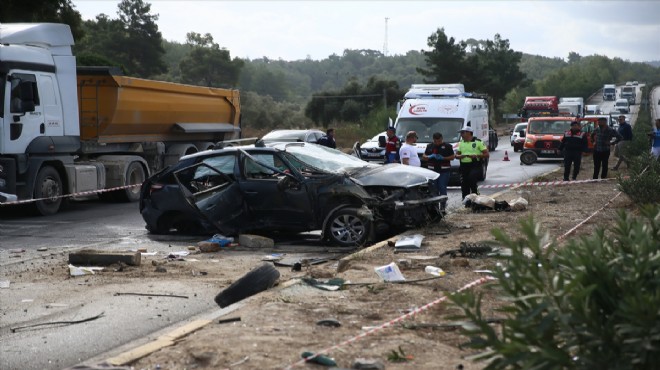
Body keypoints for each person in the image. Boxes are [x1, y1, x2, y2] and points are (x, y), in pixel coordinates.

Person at [423, 132, 455, 210]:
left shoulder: (447, 146)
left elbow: (452, 157)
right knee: (434, 189)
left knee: (442, 187)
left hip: (444, 171)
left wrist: (443, 158)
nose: (437, 143)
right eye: (436, 141)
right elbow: (424, 156)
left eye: (439, 141)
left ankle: (443, 206)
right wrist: (429, 156)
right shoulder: (430, 146)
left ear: (442, 139)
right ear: (433, 140)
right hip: (432, 171)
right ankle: (435, 206)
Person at [455, 126, 489, 199]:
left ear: (469, 133)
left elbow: (486, 154)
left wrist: (476, 155)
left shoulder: (478, 142)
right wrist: (460, 156)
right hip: (464, 165)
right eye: (461, 133)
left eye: (463, 133)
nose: (461, 135)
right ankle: (466, 200)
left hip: (475, 165)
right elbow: (457, 155)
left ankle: (476, 197)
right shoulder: (461, 143)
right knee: (464, 184)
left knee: (472, 179)